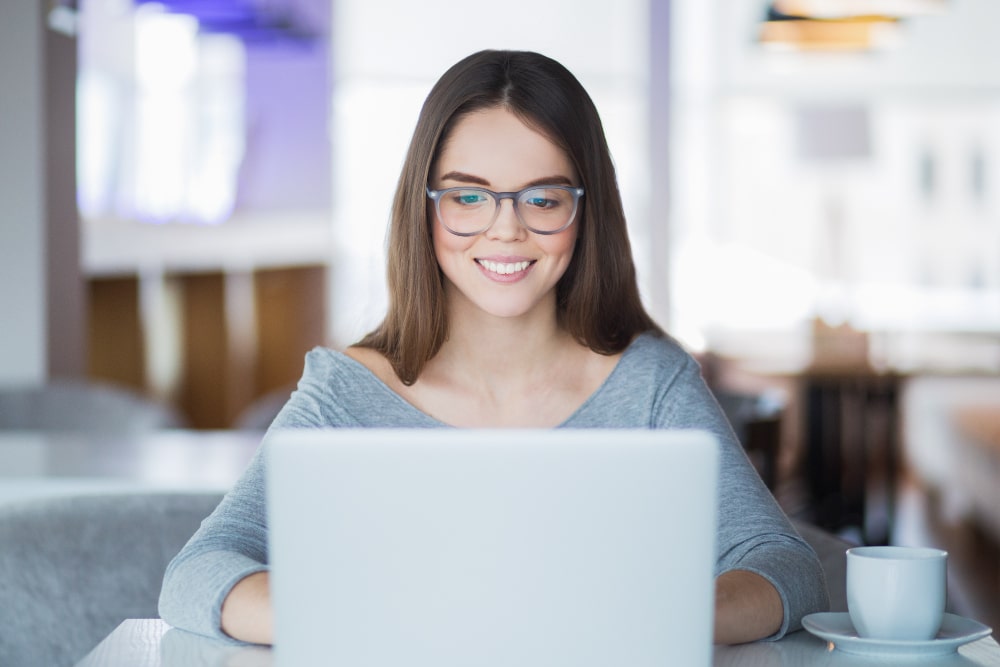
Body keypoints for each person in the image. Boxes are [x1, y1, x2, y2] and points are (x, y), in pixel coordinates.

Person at [158, 49, 829, 646]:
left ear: (584, 210)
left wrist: (656, 619)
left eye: (542, 199)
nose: (505, 231)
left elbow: (784, 564)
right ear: (425, 209)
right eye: (469, 196)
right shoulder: (347, 390)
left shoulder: (649, 382)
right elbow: (198, 573)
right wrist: (364, 620)